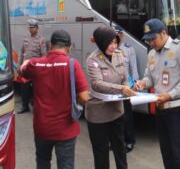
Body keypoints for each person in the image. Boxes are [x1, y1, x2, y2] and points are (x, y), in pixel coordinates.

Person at [20, 29, 89, 169]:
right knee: (66, 165)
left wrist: (25, 62)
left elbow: (22, 71)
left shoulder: (35, 64)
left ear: (50, 45)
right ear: (69, 47)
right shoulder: (72, 64)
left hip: (42, 127)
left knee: (43, 162)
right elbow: (84, 98)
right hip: (66, 129)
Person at [136, 19, 180, 169]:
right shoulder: (151, 54)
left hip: (176, 109)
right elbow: (149, 77)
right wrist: (143, 83)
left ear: (164, 33)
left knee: (179, 153)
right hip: (160, 109)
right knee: (166, 152)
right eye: (148, 40)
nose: (151, 43)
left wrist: (170, 94)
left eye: (153, 39)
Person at [85, 26, 136, 169]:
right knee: (101, 152)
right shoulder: (93, 60)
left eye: (115, 42)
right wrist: (122, 89)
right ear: (101, 42)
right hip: (98, 113)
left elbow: (125, 77)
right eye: (110, 43)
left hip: (116, 111)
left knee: (120, 149)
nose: (113, 46)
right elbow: (97, 84)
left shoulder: (119, 54)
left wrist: (128, 86)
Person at [115, 26, 139, 152]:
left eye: (117, 34)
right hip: (113, 87)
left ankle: (129, 141)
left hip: (125, 86)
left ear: (122, 35)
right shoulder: (108, 49)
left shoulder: (129, 49)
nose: (115, 37)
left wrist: (134, 85)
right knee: (113, 116)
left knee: (126, 116)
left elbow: (133, 70)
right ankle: (115, 142)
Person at [17, 18, 47, 114]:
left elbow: (44, 56)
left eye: (32, 27)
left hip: (36, 68)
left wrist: (42, 69)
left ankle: (36, 106)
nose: (30, 29)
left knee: (36, 88)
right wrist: (19, 66)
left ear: (37, 28)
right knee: (24, 87)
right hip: (26, 69)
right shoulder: (26, 39)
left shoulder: (41, 40)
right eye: (29, 27)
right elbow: (21, 53)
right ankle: (25, 106)